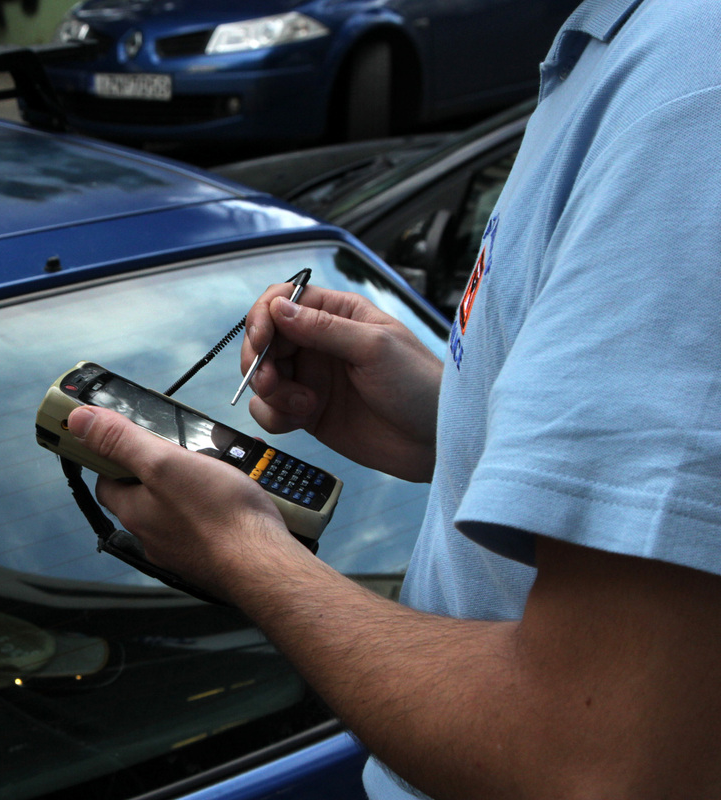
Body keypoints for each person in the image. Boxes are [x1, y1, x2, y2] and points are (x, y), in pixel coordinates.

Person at [64, 0, 721, 797]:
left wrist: (242, 551)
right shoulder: (630, 53)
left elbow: (593, 754)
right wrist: (454, 423)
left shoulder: (693, 93)